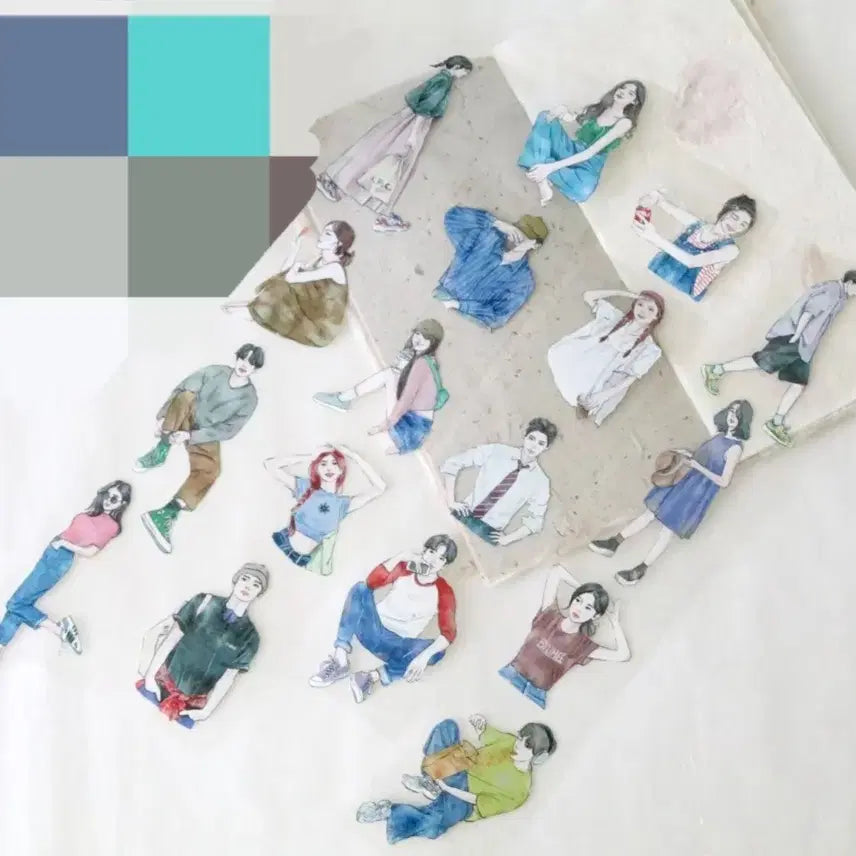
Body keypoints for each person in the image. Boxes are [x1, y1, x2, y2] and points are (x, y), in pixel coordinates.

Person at [589, 399, 753, 585]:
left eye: (737, 415)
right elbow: (702, 458)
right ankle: (614, 542)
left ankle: (640, 569)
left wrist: (698, 466)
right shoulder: (720, 436)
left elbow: (724, 481)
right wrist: (686, 454)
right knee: (650, 513)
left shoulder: (735, 448)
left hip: (697, 493)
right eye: (731, 411)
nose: (732, 417)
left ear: (743, 420)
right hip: (685, 481)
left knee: (667, 529)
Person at [316, 55, 474, 233]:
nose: (464, 75)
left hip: (406, 118)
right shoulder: (444, 83)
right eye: (464, 72)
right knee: (395, 167)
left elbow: (414, 96)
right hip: (414, 124)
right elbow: (425, 109)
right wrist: (414, 137)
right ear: (457, 67)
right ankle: (382, 215)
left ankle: (336, 182)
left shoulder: (439, 78)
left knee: (372, 150)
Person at [701, 270, 856, 447]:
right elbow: (809, 312)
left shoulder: (839, 295)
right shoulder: (832, 292)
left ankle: (775, 424)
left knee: (798, 384)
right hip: (796, 340)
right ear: (851, 283)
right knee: (760, 362)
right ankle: (715, 370)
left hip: (805, 347)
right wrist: (796, 335)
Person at [134, 344, 264, 553]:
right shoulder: (214, 371)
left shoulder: (250, 398)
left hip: (204, 432)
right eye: (243, 358)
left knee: (211, 470)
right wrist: (163, 416)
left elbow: (229, 430)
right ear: (237, 358)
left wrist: (191, 436)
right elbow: (183, 389)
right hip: (186, 416)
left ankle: (166, 513)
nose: (244, 365)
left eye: (251, 362)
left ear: (255, 368)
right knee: (186, 395)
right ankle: (161, 451)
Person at [356, 714, 556, 843]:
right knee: (448, 727)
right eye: (520, 738)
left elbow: (477, 801)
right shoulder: (510, 742)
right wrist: (480, 725)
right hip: (463, 767)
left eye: (526, 745)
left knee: (435, 824)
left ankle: (389, 811)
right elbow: (486, 734)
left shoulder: (519, 791)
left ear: (537, 757)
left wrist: (447, 788)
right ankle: (430, 781)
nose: (518, 745)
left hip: (465, 800)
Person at [308, 535, 458, 703]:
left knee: (437, 651)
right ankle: (340, 660)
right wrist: (400, 557)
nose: (433, 560)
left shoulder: (444, 591)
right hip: (372, 629)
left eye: (441, 558)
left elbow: (448, 633)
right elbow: (370, 583)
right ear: (424, 551)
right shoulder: (404, 569)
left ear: (445, 564)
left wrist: (423, 658)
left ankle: (371, 677)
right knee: (360, 588)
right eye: (431, 552)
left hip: (396, 646)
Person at [0, 480, 131, 657]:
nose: (108, 499)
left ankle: (61, 631)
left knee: (16, 603)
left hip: (59, 559)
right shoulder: (94, 514)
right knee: (21, 603)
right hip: (52, 555)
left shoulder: (111, 526)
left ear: (122, 503)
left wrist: (64, 544)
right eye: (107, 494)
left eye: (114, 498)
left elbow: (91, 551)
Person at [135, 563, 268, 729]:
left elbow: (228, 678)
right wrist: (150, 677)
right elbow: (171, 639)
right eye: (245, 579)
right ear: (236, 580)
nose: (248, 586)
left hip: (189, 708)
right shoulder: (204, 602)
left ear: (259, 593)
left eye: (256, 584)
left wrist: (206, 712)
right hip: (157, 686)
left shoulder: (250, 637)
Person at [499, 563, 629, 708]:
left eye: (588, 608)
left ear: (595, 616)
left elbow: (623, 655)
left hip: (533, 695)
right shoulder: (550, 615)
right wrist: (583, 590)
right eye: (578, 601)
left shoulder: (582, 645)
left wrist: (615, 623)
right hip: (509, 675)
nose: (579, 609)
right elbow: (556, 571)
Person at [313, 319, 448, 454]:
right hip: (416, 423)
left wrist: (385, 425)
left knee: (389, 374)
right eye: (418, 334)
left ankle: (343, 399)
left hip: (411, 427)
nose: (419, 339)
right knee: (392, 374)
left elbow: (407, 398)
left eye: (426, 338)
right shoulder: (426, 360)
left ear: (432, 343)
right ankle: (344, 399)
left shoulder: (421, 364)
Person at [222, 220, 355, 347]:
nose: (321, 236)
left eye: (328, 234)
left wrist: (296, 266)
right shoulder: (320, 260)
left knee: (282, 288)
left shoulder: (335, 268)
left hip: (319, 329)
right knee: (282, 285)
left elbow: (290, 279)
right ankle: (256, 310)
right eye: (324, 232)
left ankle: (254, 312)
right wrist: (294, 250)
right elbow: (283, 275)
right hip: (309, 311)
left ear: (338, 243)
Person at [519, 79, 646, 207]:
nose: (623, 92)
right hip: (571, 150)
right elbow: (571, 117)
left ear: (634, 102)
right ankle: (542, 179)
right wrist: (561, 111)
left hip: (588, 164)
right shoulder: (600, 107)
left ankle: (543, 168)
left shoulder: (625, 123)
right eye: (622, 88)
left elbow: (590, 152)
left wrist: (550, 168)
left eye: (630, 93)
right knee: (546, 117)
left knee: (583, 190)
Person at [264, 445, 387, 574]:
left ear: (341, 470)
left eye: (334, 463)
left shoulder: (343, 504)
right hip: (280, 545)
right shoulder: (305, 486)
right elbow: (270, 465)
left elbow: (380, 487)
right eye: (323, 464)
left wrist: (354, 456)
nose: (329, 468)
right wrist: (310, 457)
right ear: (316, 468)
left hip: (300, 562)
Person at [547, 289, 664, 424]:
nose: (643, 311)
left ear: (656, 316)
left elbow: (632, 376)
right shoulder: (615, 317)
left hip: (596, 376)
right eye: (640, 304)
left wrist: (603, 395)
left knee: (582, 397)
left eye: (650, 309)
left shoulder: (648, 348)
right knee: (558, 357)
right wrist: (624, 294)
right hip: (582, 357)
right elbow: (588, 296)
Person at [439, 418, 557, 546]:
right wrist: (450, 502)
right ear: (525, 436)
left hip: (488, 532)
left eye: (541, 443)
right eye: (531, 438)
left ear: (546, 447)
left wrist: (508, 539)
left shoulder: (540, 482)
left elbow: (536, 520)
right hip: (464, 514)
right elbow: (453, 463)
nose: (533, 446)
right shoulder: (497, 451)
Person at [433, 207, 548, 329]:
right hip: (440, 296)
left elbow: (497, 317)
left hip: (465, 323)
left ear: (533, 245)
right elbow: (452, 218)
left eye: (522, 238)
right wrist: (497, 224)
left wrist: (460, 305)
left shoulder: (523, 281)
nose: (514, 239)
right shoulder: (485, 238)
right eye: (514, 232)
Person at [633, 191, 756, 301]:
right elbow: (669, 207)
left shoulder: (731, 250)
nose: (735, 225)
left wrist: (654, 238)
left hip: (679, 291)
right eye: (735, 217)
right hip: (660, 269)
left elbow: (691, 261)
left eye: (743, 225)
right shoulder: (699, 225)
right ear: (726, 211)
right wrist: (654, 198)